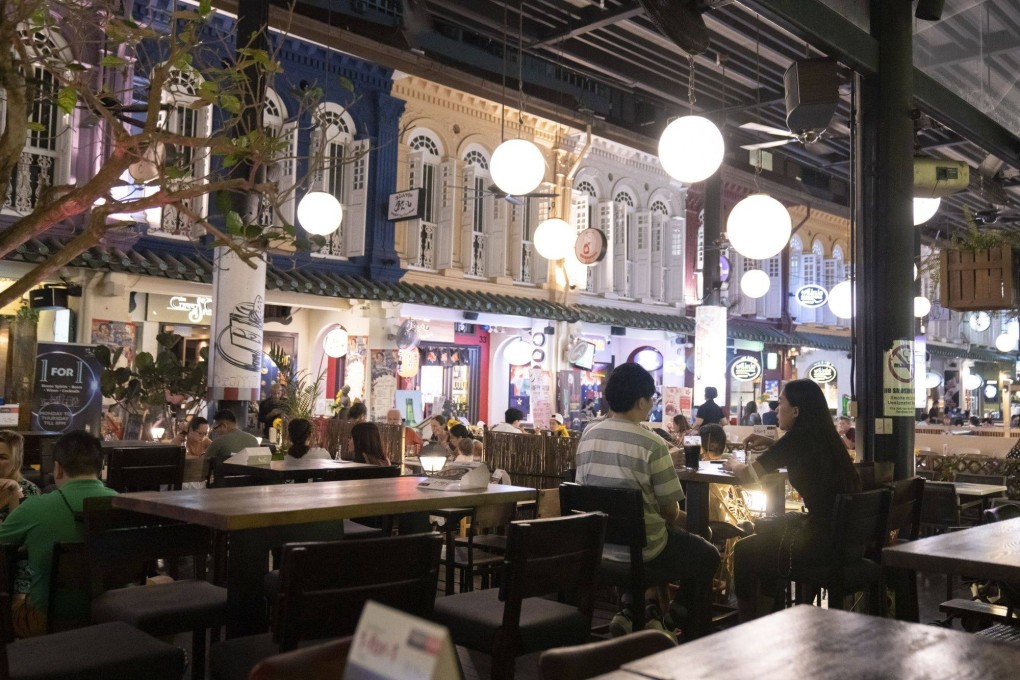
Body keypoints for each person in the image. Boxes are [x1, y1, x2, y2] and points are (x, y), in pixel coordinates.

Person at [576, 363, 720, 641]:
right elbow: (669, 512)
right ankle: (671, 620)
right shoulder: (652, 444)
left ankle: (631, 612)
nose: (652, 404)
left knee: (648, 536)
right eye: (652, 398)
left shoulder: (588, 435)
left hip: (598, 547)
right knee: (707, 554)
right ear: (641, 401)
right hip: (645, 552)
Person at [724, 379, 861, 621]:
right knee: (766, 529)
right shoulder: (826, 436)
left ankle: (749, 624)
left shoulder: (796, 439)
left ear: (796, 410)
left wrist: (732, 462)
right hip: (846, 537)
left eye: (781, 403)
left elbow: (747, 476)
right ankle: (771, 616)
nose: (777, 409)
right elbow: (800, 453)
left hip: (822, 542)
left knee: (745, 549)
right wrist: (773, 444)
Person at [0, 431, 118, 638]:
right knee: (163, 580)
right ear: (100, 468)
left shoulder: (34, 507)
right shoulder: (126, 504)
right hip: (112, 617)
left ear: (58, 468)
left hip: (46, 621)